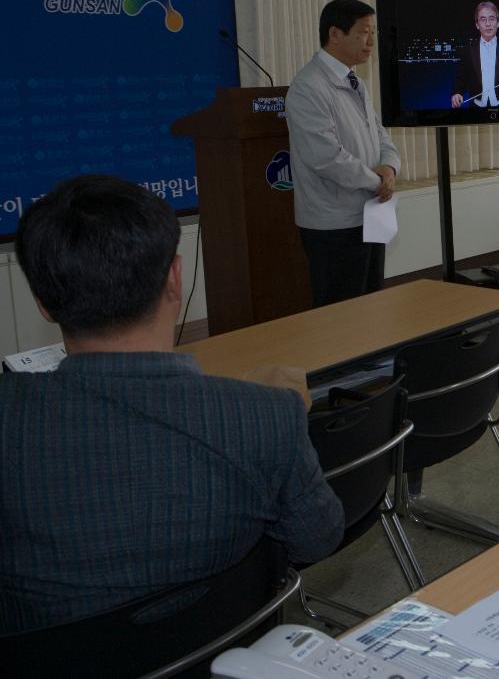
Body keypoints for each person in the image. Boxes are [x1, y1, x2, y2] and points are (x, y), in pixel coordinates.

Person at [0, 175, 344, 634]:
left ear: (43, 302)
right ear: (175, 278)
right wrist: (263, 408)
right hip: (216, 651)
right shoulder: (268, 416)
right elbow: (318, 539)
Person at [287, 0, 401, 307]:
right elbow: (325, 156)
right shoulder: (308, 87)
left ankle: (371, 358)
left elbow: (378, 134)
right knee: (341, 315)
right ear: (335, 34)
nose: (371, 41)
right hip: (333, 224)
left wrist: (389, 169)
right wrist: (375, 180)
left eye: (373, 32)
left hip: (370, 211)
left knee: (370, 305)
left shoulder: (354, 81)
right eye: (365, 32)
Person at [450, 1, 499, 109]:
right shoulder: (468, 50)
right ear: (477, 25)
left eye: (492, 19)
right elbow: (461, 78)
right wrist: (457, 93)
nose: (488, 24)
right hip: (475, 112)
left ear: (498, 23)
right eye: (483, 19)